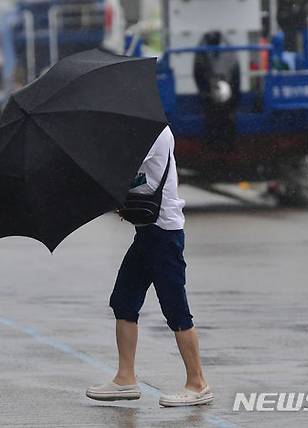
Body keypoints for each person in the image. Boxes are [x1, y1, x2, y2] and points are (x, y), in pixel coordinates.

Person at [85, 126, 213, 407]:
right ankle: (125, 378)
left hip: (165, 235)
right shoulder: (135, 133)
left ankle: (198, 383)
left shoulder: (154, 132)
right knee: (124, 300)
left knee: (176, 309)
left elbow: (122, 166)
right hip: (146, 233)